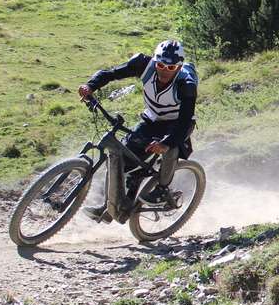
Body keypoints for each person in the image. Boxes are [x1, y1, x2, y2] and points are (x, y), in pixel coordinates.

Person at [77, 40, 198, 221]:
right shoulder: (143, 65)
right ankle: (110, 206)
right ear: (155, 61)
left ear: (179, 67)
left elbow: (183, 123)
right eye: (161, 65)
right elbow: (110, 74)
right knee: (120, 158)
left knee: (170, 148)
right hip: (152, 119)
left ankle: (162, 190)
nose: (165, 70)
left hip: (177, 123)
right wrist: (91, 86)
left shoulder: (186, 85)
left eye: (171, 67)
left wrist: (165, 143)